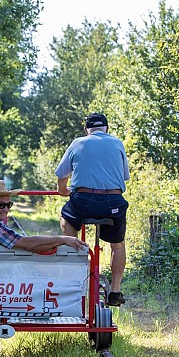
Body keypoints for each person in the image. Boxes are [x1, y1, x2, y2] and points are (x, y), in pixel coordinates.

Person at [54, 113, 130, 306]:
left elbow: (62, 175)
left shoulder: (78, 143)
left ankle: (77, 255)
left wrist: (63, 190)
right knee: (118, 245)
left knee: (66, 218)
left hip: (84, 201)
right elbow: (124, 177)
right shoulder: (117, 143)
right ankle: (115, 290)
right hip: (113, 202)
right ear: (107, 128)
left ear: (86, 129)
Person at [0, 180, 88, 253]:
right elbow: (29, 244)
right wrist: (64, 239)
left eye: (9, 204)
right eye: (1, 205)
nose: (6, 209)